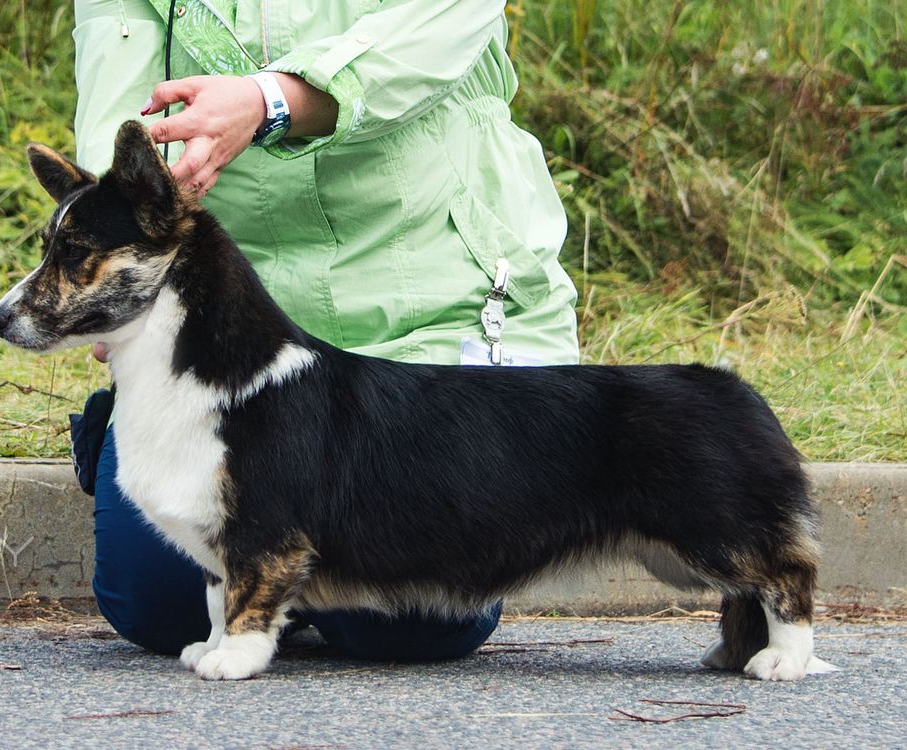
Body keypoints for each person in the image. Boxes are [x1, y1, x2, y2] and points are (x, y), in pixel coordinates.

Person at [66, 0, 580, 661]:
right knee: (160, 606)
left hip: (425, 293)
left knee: (407, 623)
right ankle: (283, 570)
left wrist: (268, 100)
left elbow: (440, 27)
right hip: (244, 321)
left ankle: (301, 577)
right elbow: (121, 104)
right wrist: (119, 271)